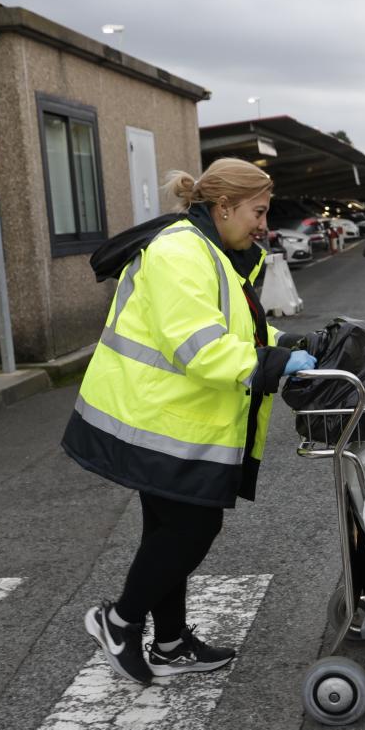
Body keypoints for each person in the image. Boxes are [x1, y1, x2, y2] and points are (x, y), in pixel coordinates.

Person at [61, 158, 316, 684]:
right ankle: (119, 621)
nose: (263, 223)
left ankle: (171, 643)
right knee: (193, 526)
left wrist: (281, 346)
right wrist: (272, 364)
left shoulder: (213, 249)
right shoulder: (180, 251)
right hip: (154, 419)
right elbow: (198, 347)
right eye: (258, 211)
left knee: (167, 528)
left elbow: (228, 330)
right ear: (223, 206)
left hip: (169, 419)